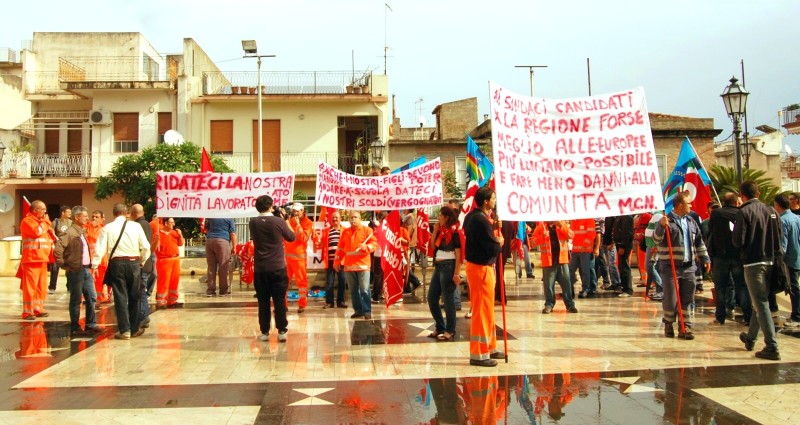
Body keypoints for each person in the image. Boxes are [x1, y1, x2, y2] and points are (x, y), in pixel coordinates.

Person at [733, 181, 783, 360]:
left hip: (754, 263)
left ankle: (772, 346)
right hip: (772, 261)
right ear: (759, 193)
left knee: (761, 303)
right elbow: (780, 236)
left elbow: (738, 240)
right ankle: (751, 337)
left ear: (742, 194)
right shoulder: (772, 211)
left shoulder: (744, 212)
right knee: (759, 300)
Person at [653, 192, 711, 340]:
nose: (691, 205)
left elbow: (699, 241)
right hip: (670, 267)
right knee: (671, 299)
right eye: (688, 203)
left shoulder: (691, 222)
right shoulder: (666, 220)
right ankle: (669, 323)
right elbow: (656, 239)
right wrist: (661, 226)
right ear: (680, 205)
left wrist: (705, 258)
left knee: (688, 298)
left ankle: (686, 327)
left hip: (689, 267)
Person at [93, 203, 150, 340]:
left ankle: (124, 330)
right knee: (134, 296)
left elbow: (100, 248)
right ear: (127, 213)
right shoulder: (135, 226)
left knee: (120, 297)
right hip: (134, 263)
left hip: (117, 263)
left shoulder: (107, 228)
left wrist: (94, 265)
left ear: (114, 214)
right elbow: (146, 246)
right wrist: (142, 261)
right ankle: (134, 328)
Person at [462, 187, 505, 367]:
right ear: (486, 201)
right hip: (481, 268)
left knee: (488, 309)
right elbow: (492, 246)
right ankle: (479, 354)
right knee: (481, 310)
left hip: (481, 267)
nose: (495, 200)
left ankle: (490, 345)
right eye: (493, 198)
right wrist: (499, 240)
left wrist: (492, 227)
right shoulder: (480, 220)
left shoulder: (473, 217)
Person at [250, 195, 296, 342]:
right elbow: (291, 237)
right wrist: (285, 220)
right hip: (277, 267)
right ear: (271, 206)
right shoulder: (279, 222)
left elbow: (265, 223)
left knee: (263, 301)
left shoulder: (253, 222)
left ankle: (264, 332)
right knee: (279, 300)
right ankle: (282, 330)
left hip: (260, 268)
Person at [54, 206, 101, 336]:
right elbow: (58, 249)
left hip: (86, 270)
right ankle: (75, 327)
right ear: (77, 217)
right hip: (76, 271)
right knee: (76, 299)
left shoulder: (82, 232)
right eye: (84, 216)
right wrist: (64, 265)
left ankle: (90, 324)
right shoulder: (69, 232)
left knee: (92, 297)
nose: (87, 218)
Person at [708, 193, 749, 325]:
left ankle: (720, 317)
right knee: (741, 286)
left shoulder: (716, 214)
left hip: (721, 255)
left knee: (720, 287)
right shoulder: (742, 213)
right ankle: (748, 316)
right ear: (736, 202)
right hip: (737, 255)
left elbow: (711, 231)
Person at [427, 206, 462, 341]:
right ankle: (440, 326)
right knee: (432, 298)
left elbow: (458, 254)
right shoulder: (441, 232)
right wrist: (435, 231)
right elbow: (432, 246)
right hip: (439, 265)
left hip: (449, 266)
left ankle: (450, 330)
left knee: (448, 300)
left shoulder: (455, 232)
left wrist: (457, 273)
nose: (438, 218)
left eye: (440, 215)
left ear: (447, 217)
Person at [334, 210, 377, 320]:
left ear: (360, 219)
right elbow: (340, 248)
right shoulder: (345, 232)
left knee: (364, 290)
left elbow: (374, 244)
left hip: (363, 266)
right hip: (349, 266)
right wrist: (337, 261)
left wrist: (366, 247)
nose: (353, 219)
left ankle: (367, 311)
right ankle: (358, 310)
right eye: (351, 217)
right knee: (353, 291)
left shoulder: (367, 230)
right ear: (348, 219)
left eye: (355, 217)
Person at [18, 200, 54, 320]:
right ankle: (28, 312)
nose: (45, 211)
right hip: (31, 260)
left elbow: (48, 240)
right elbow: (36, 232)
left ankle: (38, 308)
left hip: (42, 259)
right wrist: (46, 222)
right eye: (42, 209)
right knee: (30, 288)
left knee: (41, 287)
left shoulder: (41, 223)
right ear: (35, 210)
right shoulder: (27, 221)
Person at [532, 221, 578, 314]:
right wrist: (542, 237)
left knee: (566, 284)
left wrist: (561, 225)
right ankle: (549, 304)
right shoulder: (541, 227)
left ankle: (570, 305)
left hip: (562, 261)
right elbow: (532, 243)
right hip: (548, 262)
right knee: (548, 286)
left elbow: (571, 235)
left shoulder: (562, 224)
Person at [774, 194, 800, 327]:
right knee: (795, 286)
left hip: (789, 260)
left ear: (777, 205)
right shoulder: (796, 218)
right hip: (797, 257)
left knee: (793, 287)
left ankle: (796, 316)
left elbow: (782, 245)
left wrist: (778, 260)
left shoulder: (782, 221)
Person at [130, 204, 155, 329]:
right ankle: (143, 315)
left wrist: (140, 260)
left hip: (142, 263)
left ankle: (143, 316)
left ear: (133, 213)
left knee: (140, 292)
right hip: (147, 263)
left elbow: (143, 246)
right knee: (142, 291)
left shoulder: (138, 225)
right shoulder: (147, 224)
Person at [284, 203, 312, 313]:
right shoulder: (290, 220)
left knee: (302, 283)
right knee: (284, 282)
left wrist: (298, 225)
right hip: (287, 258)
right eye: (294, 211)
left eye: (297, 211)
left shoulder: (308, 223)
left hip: (299, 259)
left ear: (302, 211)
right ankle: (283, 305)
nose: (295, 213)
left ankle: (302, 304)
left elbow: (304, 238)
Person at [155, 217, 184, 309]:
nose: (174, 224)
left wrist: (180, 235)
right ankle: (161, 301)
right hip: (164, 260)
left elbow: (181, 243)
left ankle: (172, 300)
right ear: (166, 223)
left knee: (174, 280)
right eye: (171, 222)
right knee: (164, 281)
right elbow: (154, 247)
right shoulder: (158, 234)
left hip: (175, 259)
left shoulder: (174, 233)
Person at [320, 211, 347, 309]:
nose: (335, 219)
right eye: (333, 217)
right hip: (330, 260)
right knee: (329, 282)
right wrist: (316, 240)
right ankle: (329, 302)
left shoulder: (345, 230)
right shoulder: (326, 231)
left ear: (340, 219)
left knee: (342, 281)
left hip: (341, 260)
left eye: (337, 217)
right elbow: (321, 245)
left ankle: (341, 301)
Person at [205, 217, 237, 297]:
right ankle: (223, 291)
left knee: (211, 267)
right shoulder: (229, 218)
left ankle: (211, 291)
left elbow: (207, 229)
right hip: (222, 241)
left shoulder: (211, 216)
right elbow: (232, 234)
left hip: (209, 241)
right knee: (223, 267)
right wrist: (234, 247)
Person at [570, 218, 601, 299]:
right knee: (570, 270)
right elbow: (572, 234)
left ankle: (585, 289)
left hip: (585, 250)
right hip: (575, 250)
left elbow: (592, 234)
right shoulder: (574, 220)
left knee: (585, 271)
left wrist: (585, 245)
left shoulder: (589, 219)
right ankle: (570, 290)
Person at [85, 210, 110, 304]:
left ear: (102, 219)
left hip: (101, 260)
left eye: (97, 217)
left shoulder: (104, 230)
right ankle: (90, 298)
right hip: (89, 260)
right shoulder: (86, 228)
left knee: (100, 282)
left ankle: (99, 299)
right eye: (93, 217)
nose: (94, 219)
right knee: (89, 281)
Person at [48, 205, 72, 294]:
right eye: (68, 212)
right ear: (63, 213)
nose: (70, 214)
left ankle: (69, 287)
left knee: (69, 270)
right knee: (54, 269)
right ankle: (52, 287)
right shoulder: (56, 222)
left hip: (68, 249)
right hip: (58, 249)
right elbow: (50, 234)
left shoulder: (71, 222)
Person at [611, 214, 635, 297]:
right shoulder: (619, 216)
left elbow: (627, 233)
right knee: (621, 266)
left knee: (624, 266)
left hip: (624, 245)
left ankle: (628, 289)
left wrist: (623, 246)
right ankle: (624, 287)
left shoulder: (627, 217)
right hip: (619, 244)